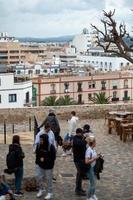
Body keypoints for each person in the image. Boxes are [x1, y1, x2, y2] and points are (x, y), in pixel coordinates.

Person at [35, 134, 56, 200]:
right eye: (40, 139)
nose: (40, 141)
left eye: (41, 140)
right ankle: (41, 189)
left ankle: (50, 192)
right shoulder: (38, 145)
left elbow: (53, 157)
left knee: (48, 179)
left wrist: (45, 159)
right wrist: (38, 161)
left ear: (45, 140)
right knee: (38, 177)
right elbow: (37, 154)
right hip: (40, 165)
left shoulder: (51, 147)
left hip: (48, 166)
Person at [72, 128, 86, 196]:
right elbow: (81, 144)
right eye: (81, 133)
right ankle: (77, 190)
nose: (82, 134)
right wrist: (85, 140)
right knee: (79, 175)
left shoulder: (79, 138)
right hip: (78, 160)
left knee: (80, 175)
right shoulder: (75, 139)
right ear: (78, 133)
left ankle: (79, 188)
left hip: (81, 159)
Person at [85, 136, 98, 200]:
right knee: (92, 183)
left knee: (93, 182)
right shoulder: (89, 150)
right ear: (92, 143)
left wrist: (98, 156)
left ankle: (92, 195)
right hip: (90, 168)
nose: (96, 143)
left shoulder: (93, 149)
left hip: (93, 167)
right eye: (95, 142)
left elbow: (93, 157)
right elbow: (86, 161)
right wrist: (94, 159)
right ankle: (88, 197)